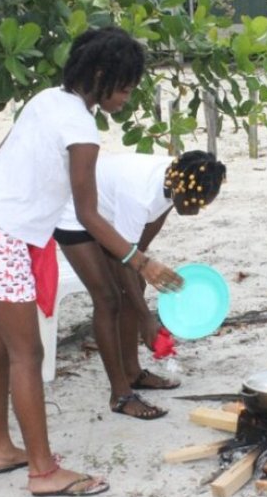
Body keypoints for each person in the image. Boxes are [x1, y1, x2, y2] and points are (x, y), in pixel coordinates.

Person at [0, 27, 182, 497]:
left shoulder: (45, 100)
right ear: (100, 75)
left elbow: (1, 160)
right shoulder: (81, 129)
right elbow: (88, 214)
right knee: (27, 354)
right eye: (125, 87)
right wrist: (142, 263)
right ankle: (43, 472)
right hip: (1, 238)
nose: (127, 97)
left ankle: (0, 449)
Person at [54, 151, 227, 420]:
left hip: (104, 214)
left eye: (202, 205)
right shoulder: (140, 195)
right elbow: (126, 258)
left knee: (135, 286)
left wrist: (140, 286)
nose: (195, 211)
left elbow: (136, 251)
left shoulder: (174, 181)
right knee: (108, 299)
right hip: (73, 214)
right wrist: (146, 318)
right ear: (179, 187)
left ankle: (132, 373)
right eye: (194, 203)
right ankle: (120, 395)